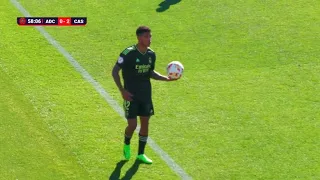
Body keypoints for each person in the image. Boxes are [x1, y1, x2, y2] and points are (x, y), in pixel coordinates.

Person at [112, 26, 176, 164]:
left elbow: (150, 73)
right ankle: (127, 143)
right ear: (139, 38)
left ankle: (141, 154)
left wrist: (166, 78)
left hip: (146, 96)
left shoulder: (151, 55)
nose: (149, 39)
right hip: (131, 96)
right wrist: (122, 90)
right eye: (146, 37)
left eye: (150, 36)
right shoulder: (128, 53)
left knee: (145, 124)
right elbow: (114, 71)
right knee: (133, 125)